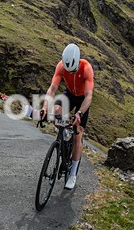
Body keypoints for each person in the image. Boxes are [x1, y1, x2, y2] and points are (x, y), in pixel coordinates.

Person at [39, 43, 94, 190]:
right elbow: (52, 89)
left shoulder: (86, 68)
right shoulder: (61, 66)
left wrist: (79, 113)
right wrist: (44, 107)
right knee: (56, 109)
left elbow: (89, 96)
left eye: (74, 70)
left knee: (78, 135)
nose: (72, 73)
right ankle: (63, 137)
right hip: (69, 94)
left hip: (82, 98)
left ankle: (72, 174)